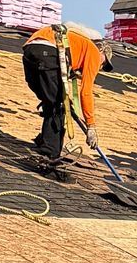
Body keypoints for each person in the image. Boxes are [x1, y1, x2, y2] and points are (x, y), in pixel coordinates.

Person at [22, 21, 111, 170]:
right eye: (104, 64)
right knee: (59, 106)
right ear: (102, 53)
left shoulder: (76, 44)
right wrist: (91, 126)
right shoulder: (94, 52)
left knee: (52, 102)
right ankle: (50, 155)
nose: (100, 68)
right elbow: (86, 92)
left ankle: (44, 140)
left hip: (30, 50)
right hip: (48, 52)